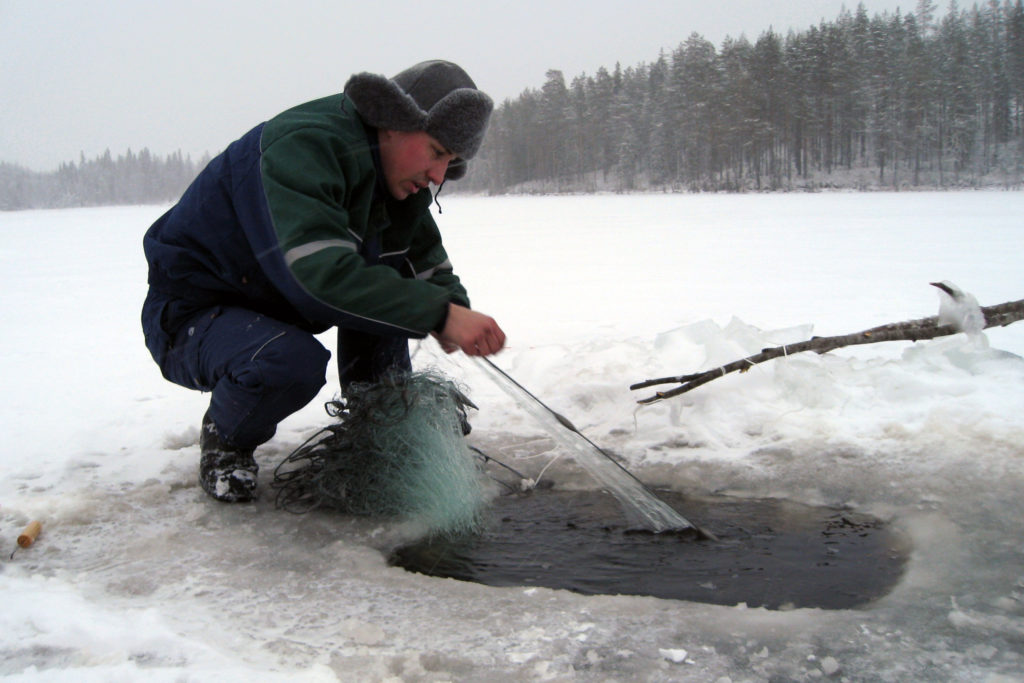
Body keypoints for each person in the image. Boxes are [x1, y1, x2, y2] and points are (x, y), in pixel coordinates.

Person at [141, 60, 506, 503]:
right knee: (289, 361)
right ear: (392, 122)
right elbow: (320, 277)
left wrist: (456, 308)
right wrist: (441, 315)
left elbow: (425, 264)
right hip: (191, 316)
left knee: (387, 297)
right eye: (435, 151)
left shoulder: (395, 184)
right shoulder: (305, 147)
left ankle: (379, 425)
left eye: (450, 161)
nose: (438, 176)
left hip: (274, 311)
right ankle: (226, 440)